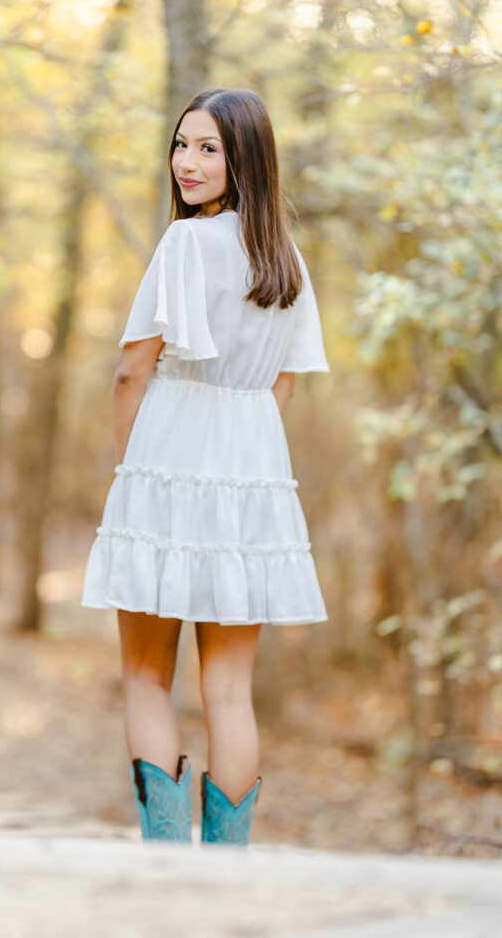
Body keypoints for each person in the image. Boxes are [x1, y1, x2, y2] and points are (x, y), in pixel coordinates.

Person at [81, 87, 330, 847]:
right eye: (180, 145)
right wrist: (236, 462)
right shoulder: (283, 257)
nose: (186, 163)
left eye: (207, 148)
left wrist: (137, 472)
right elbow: (282, 382)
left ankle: (167, 867)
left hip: (167, 462)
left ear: (243, 157)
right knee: (227, 690)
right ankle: (225, 868)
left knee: (146, 677)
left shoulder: (186, 243)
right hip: (252, 474)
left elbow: (132, 370)